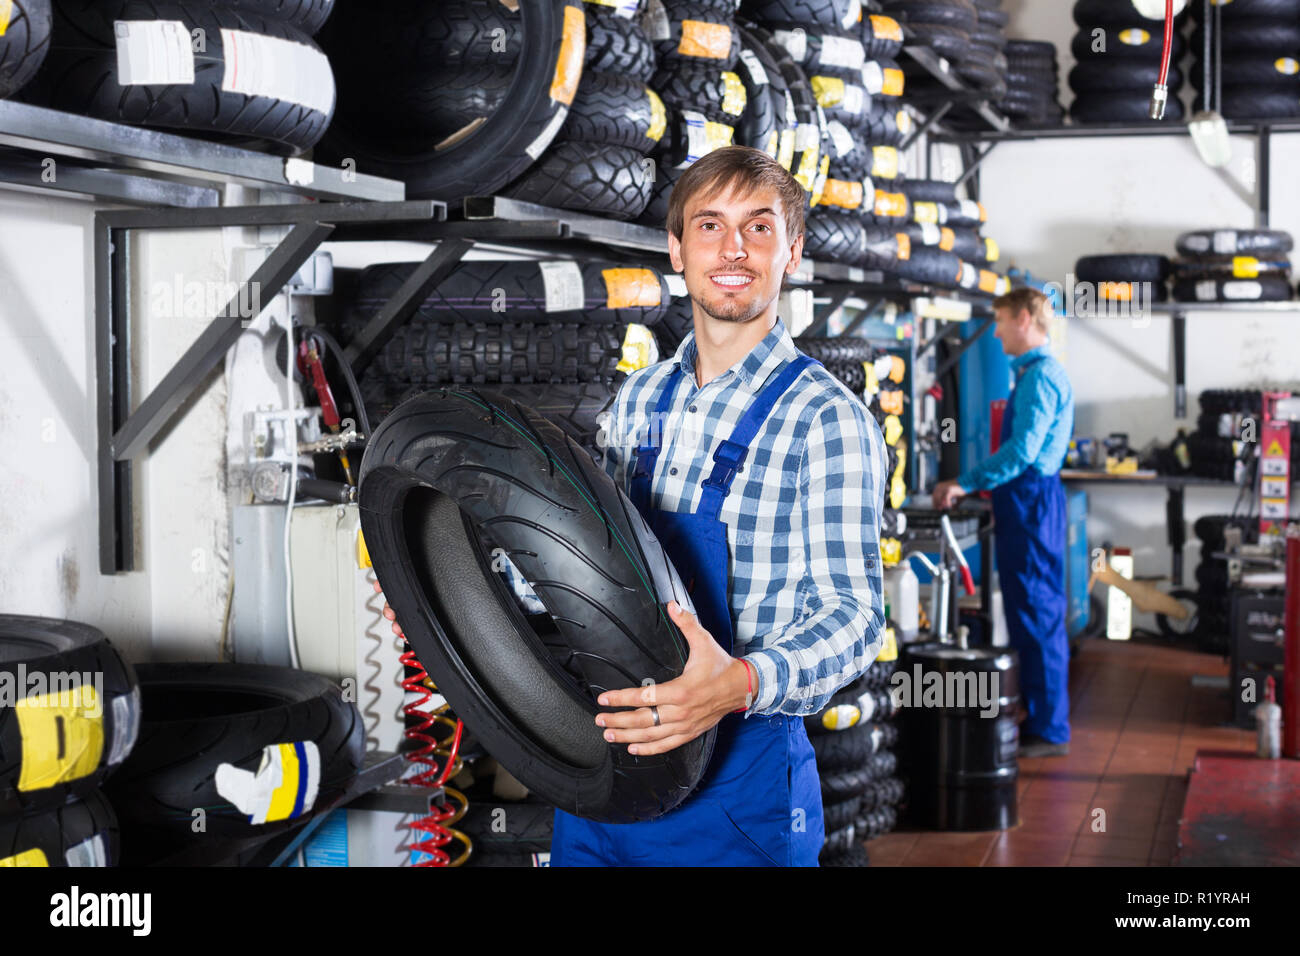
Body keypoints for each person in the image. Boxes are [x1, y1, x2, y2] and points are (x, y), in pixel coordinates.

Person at [379, 146, 887, 866]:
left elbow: (855, 618)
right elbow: (579, 558)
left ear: (793, 250)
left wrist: (736, 684)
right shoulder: (641, 397)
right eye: (709, 226)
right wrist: (466, 597)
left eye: (759, 227)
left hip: (738, 787)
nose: (733, 248)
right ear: (677, 250)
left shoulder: (827, 420)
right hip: (604, 760)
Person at [932, 288, 1075, 758]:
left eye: (999, 322)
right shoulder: (1037, 373)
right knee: (1033, 611)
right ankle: (1042, 715)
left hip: (1031, 501)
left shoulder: (1039, 378)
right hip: (1029, 502)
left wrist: (965, 483)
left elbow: (1021, 452)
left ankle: (1049, 728)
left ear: (1023, 318)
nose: (994, 332)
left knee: (1036, 613)